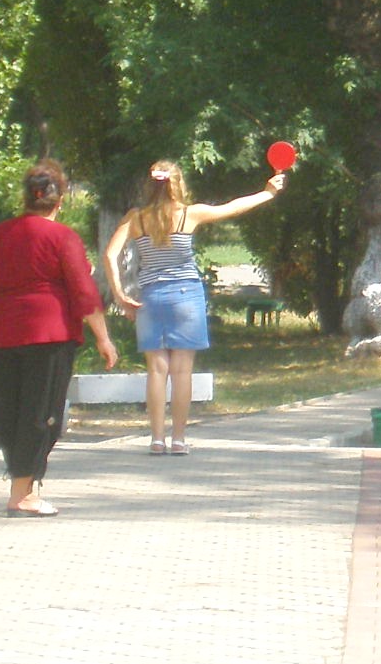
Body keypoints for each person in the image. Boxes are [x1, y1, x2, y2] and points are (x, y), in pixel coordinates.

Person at [104, 160, 284, 454]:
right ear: (178, 184)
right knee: (182, 371)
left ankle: (156, 440)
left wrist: (120, 295)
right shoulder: (190, 214)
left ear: (150, 185)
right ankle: (178, 440)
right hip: (187, 295)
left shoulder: (135, 218)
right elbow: (233, 207)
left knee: (157, 370)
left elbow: (110, 255)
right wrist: (267, 192)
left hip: (150, 296)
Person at [0, 160, 119, 516]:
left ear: (26, 198)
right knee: (41, 413)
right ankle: (22, 495)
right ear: (59, 201)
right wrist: (103, 338)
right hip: (49, 334)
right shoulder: (63, 237)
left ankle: (22, 486)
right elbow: (84, 293)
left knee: (11, 411)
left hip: (3, 332)